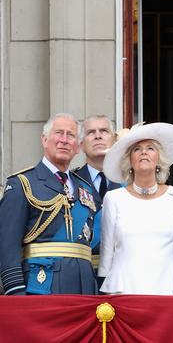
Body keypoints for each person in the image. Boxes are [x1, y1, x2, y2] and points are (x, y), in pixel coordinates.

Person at [0, 113, 101, 295]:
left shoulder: (86, 188)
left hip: (84, 287)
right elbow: (7, 245)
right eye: (58, 133)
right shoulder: (22, 183)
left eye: (70, 135)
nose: (63, 140)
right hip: (41, 286)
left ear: (78, 146)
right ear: (44, 139)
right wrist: (15, 292)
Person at [98, 122, 173, 295]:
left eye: (150, 148)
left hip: (168, 289)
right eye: (136, 149)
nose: (144, 152)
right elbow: (107, 254)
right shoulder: (114, 198)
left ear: (159, 158)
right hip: (125, 291)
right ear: (129, 160)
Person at [75, 115, 120, 271]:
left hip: (120, 272)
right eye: (91, 132)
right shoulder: (70, 183)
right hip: (83, 272)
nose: (98, 136)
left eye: (104, 131)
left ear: (114, 141)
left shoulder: (129, 183)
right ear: (80, 145)